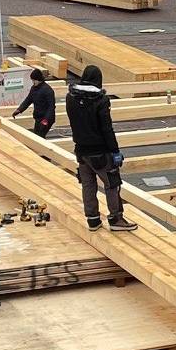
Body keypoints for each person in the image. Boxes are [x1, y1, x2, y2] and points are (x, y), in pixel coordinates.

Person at [66, 65, 138, 232]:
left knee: (88, 185)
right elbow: (106, 128)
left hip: (81, 151)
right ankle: (116, 219)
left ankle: (93, 220)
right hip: (100, 152)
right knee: (112, 184)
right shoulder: (100, 100)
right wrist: (115, 151)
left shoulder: (71, 97)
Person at [12, 68, 56, 137]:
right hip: (38, 118)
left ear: (39, 79)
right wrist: (19, 110)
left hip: (46, 118)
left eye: (34, 80)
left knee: (40, 137)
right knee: (36, 137)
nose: (33, 82)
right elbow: (28, 100)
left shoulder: (48, 90)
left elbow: (51, 107)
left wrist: (46, 120)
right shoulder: (34, 88)